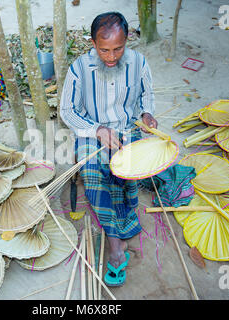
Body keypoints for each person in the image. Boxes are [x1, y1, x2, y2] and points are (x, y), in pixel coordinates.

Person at [60, 12, 158, 286]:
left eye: (118, 48)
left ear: (127, 40)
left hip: (127, 130)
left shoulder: (139, 62)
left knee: (127, 169)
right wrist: (97, 131)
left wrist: (148, 114)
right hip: (92, 130)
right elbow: (67, 111)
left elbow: (147, 95)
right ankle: (115, 242)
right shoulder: (79, 68)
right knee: (92, 170)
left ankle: (122, 213)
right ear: (92, 42)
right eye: (103, 49)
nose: (111, 56)